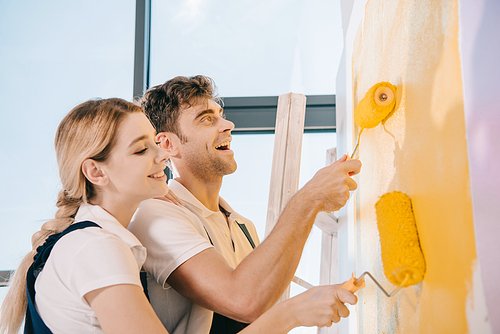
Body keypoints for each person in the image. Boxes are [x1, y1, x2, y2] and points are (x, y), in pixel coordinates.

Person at [0, 96, 356, 334]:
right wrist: (291, 314)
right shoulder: (96, 247)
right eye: (141, 150)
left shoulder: (101, 243)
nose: (161, 156)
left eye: (155, 143)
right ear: (96, 172)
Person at [129, 75, 362, 333]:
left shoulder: (243, 227)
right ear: (168, 144)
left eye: (221, 114)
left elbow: (260, 314)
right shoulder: (156, 214)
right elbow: (243, 300)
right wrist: (309, 199)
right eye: (207, 118)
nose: (228, 124)